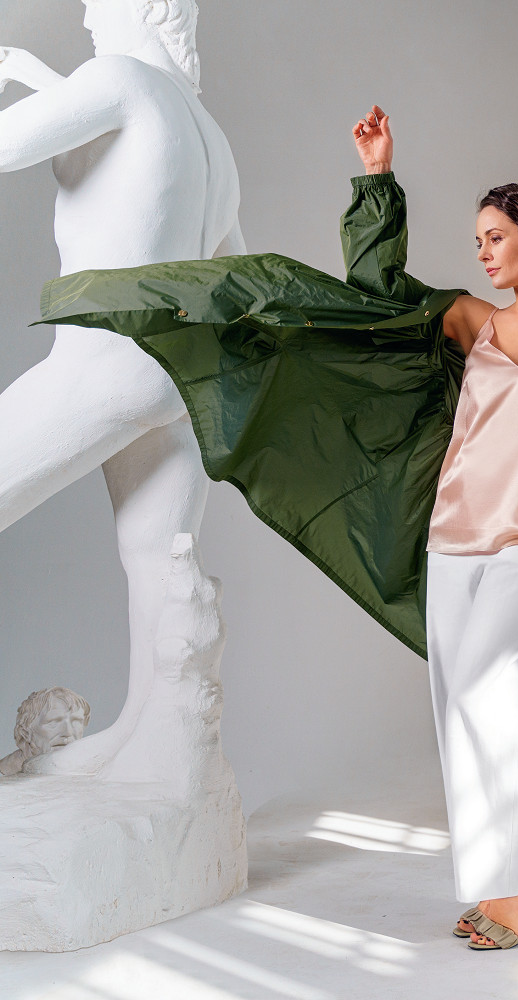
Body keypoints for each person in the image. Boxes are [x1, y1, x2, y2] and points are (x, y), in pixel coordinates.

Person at [39, 105, 518, 950]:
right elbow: (379, 294)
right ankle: (514, 879)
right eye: (478, 240)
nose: (484, 252)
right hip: (453, 536)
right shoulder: (473, 321)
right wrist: (377, 176)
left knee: (488, 701)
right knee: (458, 709)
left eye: (496, 237)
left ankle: (511, 888)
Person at [0, 0, 241, 775]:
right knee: (159, 562)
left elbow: (8, 145)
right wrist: (46, 80)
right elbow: (234, 277)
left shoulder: (117, 79)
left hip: (106, 360)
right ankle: (153, 757)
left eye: (95, 9)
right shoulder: (212, 141)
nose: (88, 24)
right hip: (181, 379)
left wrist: (37, 89)